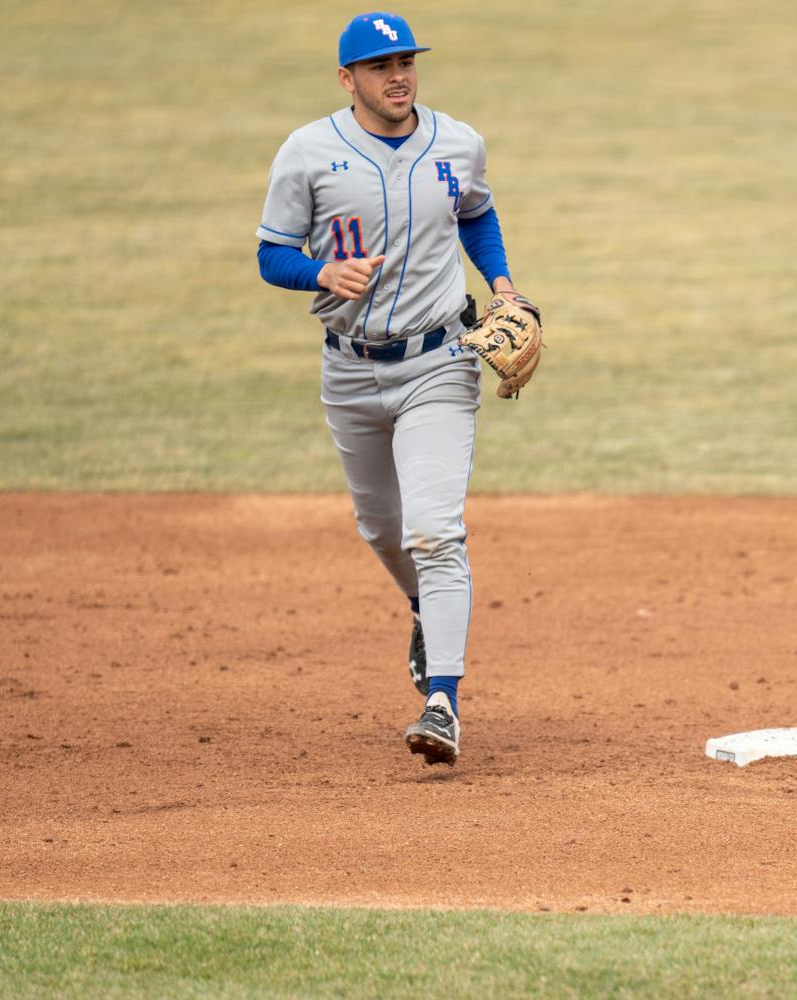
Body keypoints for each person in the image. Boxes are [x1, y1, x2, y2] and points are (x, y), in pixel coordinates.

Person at [255, 12, 531, 765]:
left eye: (405, 61)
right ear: (348, 79)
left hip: (440, 362)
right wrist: (320, 273)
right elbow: (271, 253)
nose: (398, 75)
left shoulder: (457, 142)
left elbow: (476, 214)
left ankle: (441, 701)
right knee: (382, 528)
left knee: (436, 531)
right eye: (379, 66)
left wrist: (503, 287)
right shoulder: (308, 153)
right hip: (347, 368)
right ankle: (423, 609)